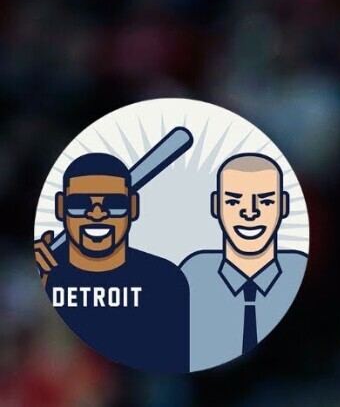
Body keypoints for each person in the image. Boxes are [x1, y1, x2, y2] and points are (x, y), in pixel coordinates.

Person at [32, 153, 189, 373]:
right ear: (61, 207)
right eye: (80, 204)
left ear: (133, 207)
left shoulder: (164, 279)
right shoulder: (46, 275)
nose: (97, 214)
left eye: (113, 204)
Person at [179, 153, 307, 372]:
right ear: (215, 206)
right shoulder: (189, 273)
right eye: (234, 201)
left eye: (265, 201)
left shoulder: (300, 275)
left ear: (284, 205)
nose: (250, 212)